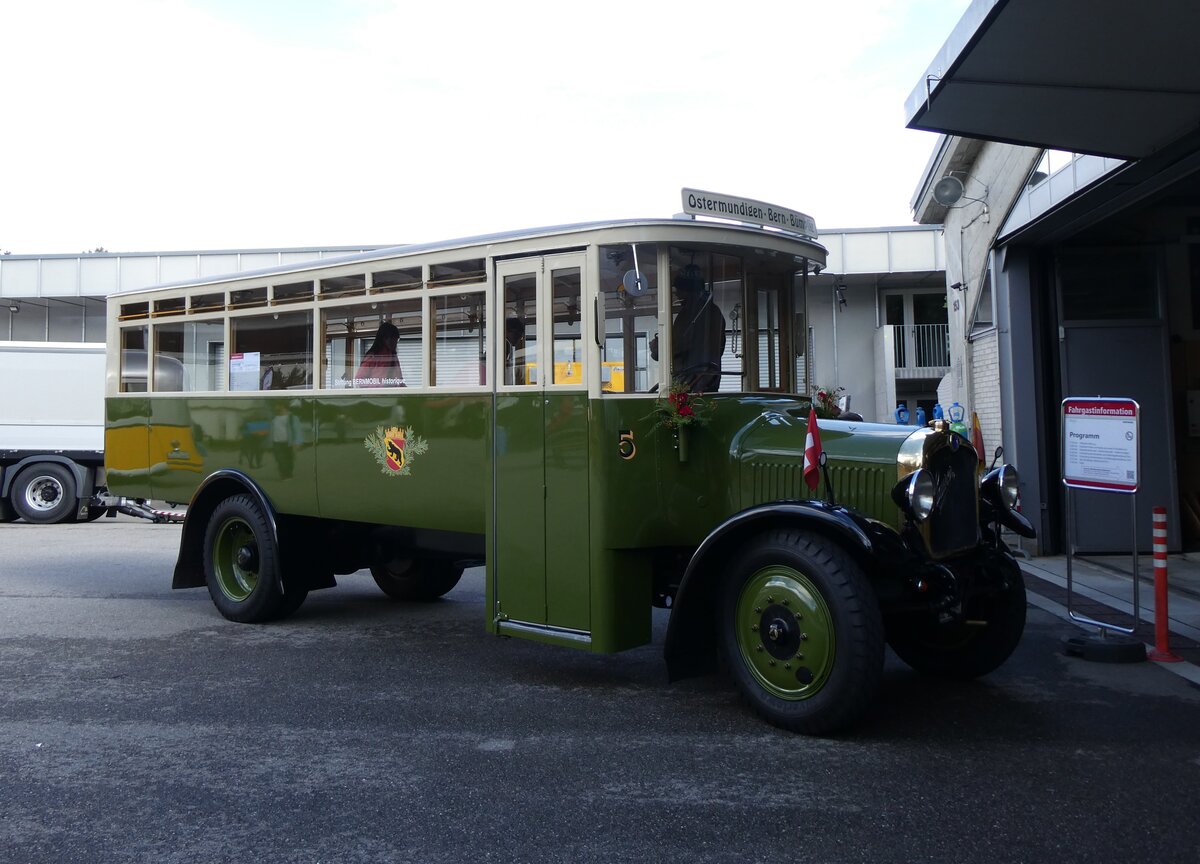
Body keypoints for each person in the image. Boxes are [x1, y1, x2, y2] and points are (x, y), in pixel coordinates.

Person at [652, 265, 726, 391]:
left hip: (689, 384)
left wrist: (658, 348)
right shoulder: (713, 312)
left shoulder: (691, 314)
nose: (676, 293)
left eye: (679, 289)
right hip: (708, 382)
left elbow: (679, 344)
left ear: (688, 291)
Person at [354, 321, 405, 388]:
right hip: (375, 396)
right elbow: (359, 380)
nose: (395, 342)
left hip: (393, 396)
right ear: (383, 339)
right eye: (392, 339)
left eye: (396, 339)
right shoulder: (373, 356)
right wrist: (380, 386)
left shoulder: (394, 357)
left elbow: (399, 380)